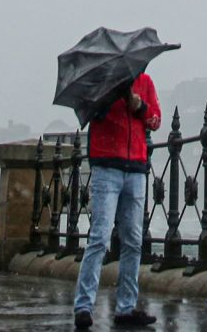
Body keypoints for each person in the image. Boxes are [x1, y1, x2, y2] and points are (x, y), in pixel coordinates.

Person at [75, 71, 161, 329]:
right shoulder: (101, 83)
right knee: (100, 237)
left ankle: (126, 307)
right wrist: (111, 97)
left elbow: (155, 121)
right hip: (107, 167)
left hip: (135, 168)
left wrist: (139, 105)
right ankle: (83, 306)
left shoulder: (145, 82)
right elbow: (89, 115)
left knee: (133, 240)